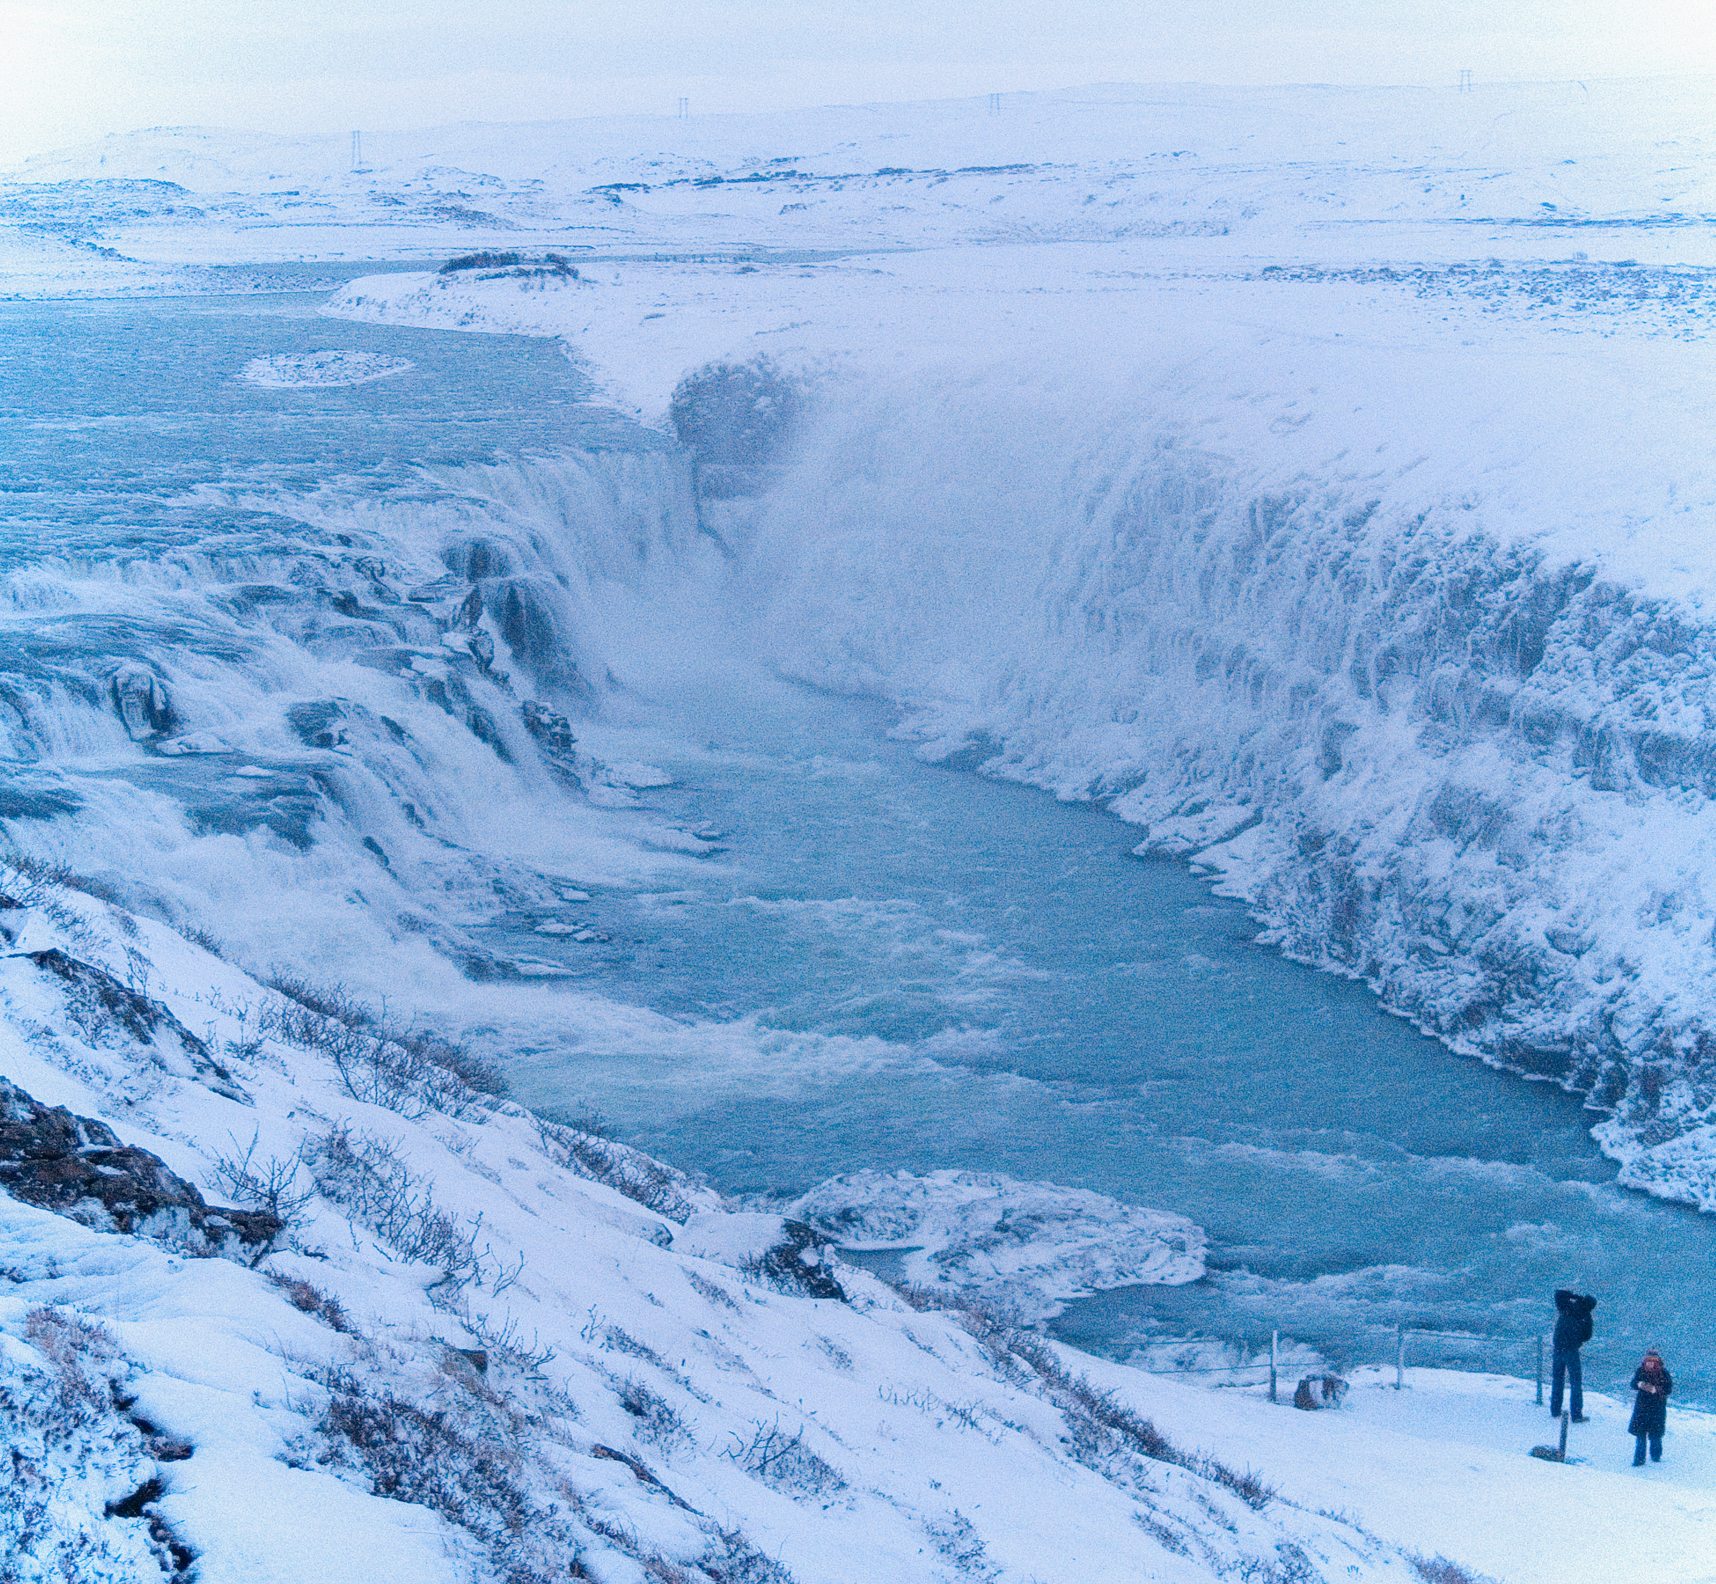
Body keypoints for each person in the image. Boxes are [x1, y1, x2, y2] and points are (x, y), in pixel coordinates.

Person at [1550, 1289, 1596, 1422]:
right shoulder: (1586, 1317)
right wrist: (1577, 1339)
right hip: (1572, 1350)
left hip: (1558, 1348)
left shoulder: (1567, 1306)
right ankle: (1576, 1415)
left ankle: (1555, 1410)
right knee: (1576, 1383)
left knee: (1557, 1380)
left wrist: (1575, 1296)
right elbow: (1587, 1336)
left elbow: (1558, 1293)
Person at [1629, 1349, 1673, 1466]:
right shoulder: (1641, 1371)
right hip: (1642, 1409)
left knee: (1655, 1435)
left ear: (1657, 1362)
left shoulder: (1663, 1373)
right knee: (1641, 1435)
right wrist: (1639, 1384)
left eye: (1652, 1361)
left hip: (1656, 1409)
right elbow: (1633, 1383)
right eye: (1647, 1361)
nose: (1649, 1363)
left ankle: (1656, 1456)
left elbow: (1668, 1389)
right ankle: (1639, 1460)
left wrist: (1655, 1389)